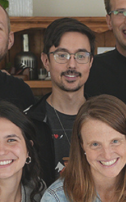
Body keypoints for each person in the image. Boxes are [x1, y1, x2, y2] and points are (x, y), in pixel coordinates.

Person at [25, 18, 96, 184]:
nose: (72, 65)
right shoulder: (27, 123)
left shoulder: (107, 119)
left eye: (81, 56)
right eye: (62, 55)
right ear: (46, 61)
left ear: (90, 62)